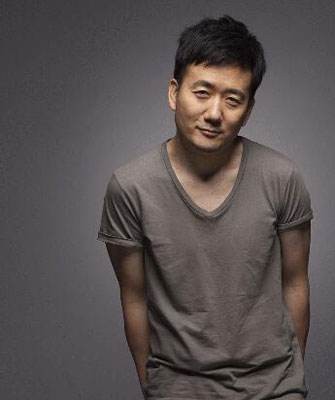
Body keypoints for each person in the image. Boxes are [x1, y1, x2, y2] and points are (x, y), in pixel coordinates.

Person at [97, 14, 314, 400]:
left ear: (248, 110)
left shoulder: (281, 177)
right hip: (178, 388)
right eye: (202, 93)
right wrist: (156, 387)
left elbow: (295, 282)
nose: (215, 113)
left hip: (273, 387)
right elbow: (133, 297)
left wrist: (289, 377)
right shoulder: (130, 187)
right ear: (173, 93)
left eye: (233, 100)